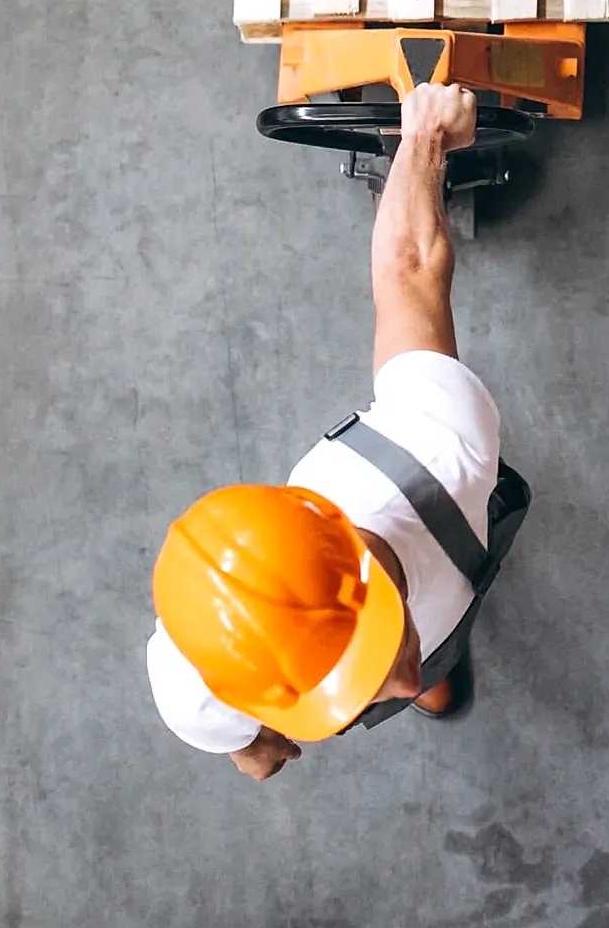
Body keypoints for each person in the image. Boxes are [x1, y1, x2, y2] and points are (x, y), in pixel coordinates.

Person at [146, 82, 528, 779]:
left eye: (383, 638)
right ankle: (441, 655)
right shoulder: (219, 643)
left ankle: (445, 656)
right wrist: (250, 744)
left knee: (436, 654)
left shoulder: (444, 451)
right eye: (352, 671)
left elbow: (412, 271)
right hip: (441, 572)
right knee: (432, 655)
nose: (399, 681)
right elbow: (229, 721)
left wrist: (424, 138)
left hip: (448, 549)